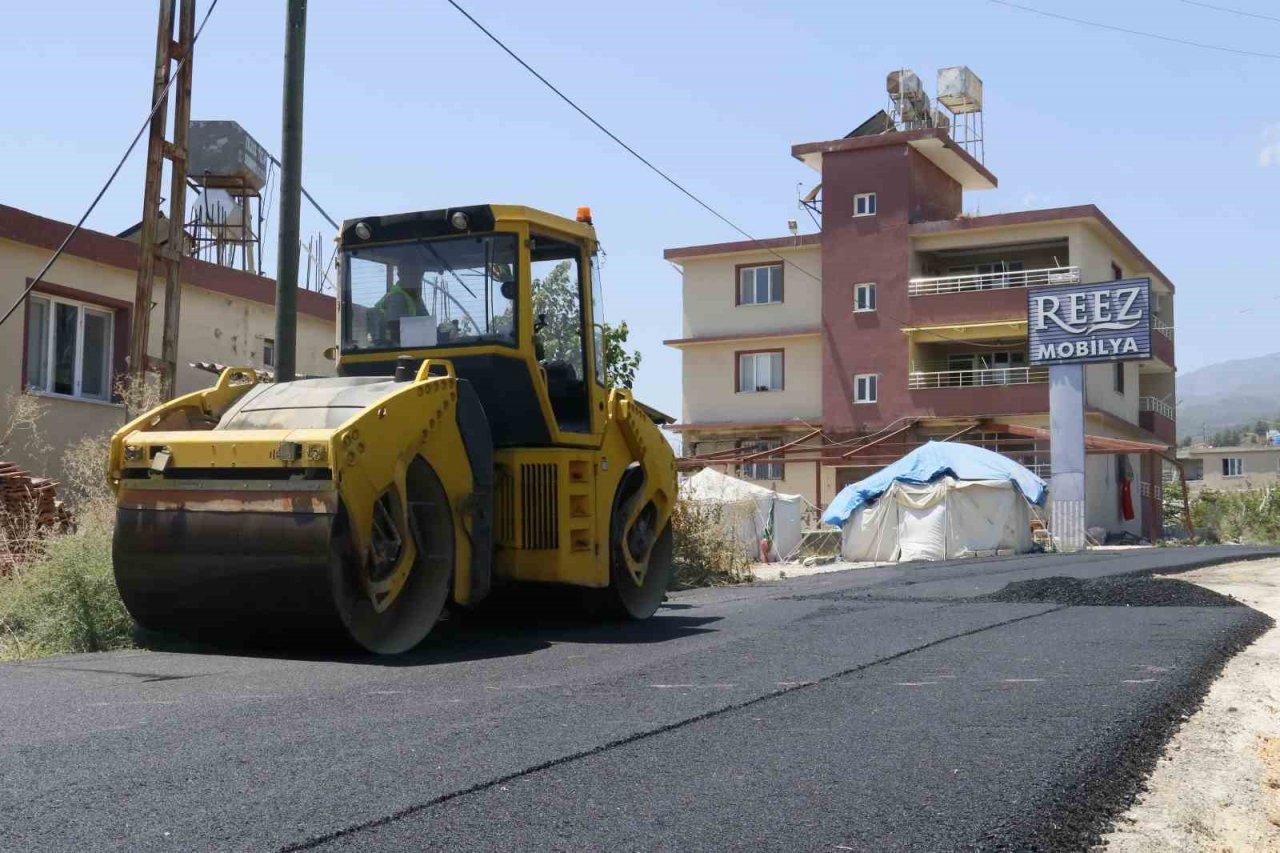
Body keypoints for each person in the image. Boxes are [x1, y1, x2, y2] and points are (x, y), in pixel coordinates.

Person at [371, 259, 431, 344]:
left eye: (418, 274)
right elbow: (397, 337)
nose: (415, 278)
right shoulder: (397, 297)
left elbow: (426, 324)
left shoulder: (414, 296)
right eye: (410, 274)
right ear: (400, 275)